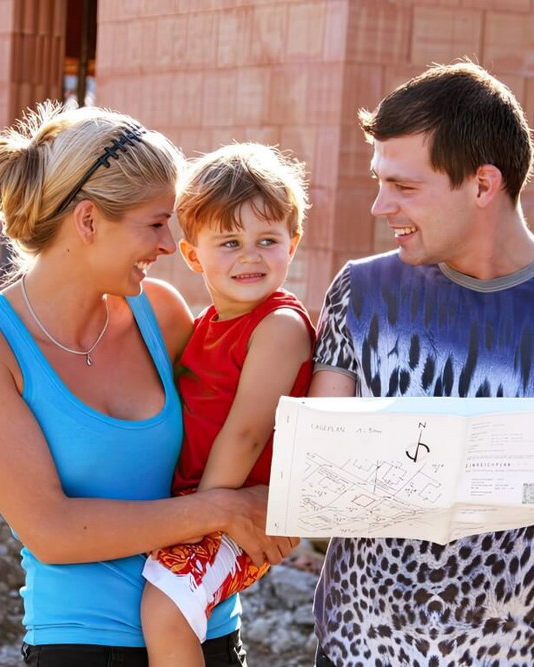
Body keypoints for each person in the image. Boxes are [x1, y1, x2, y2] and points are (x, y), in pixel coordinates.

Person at [309, 62, 534, 667]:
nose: (380, 206)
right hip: (356, 655)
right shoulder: (360, 291)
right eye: (379, 181)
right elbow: (318, 481)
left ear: (484, 185)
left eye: (403, 187)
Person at [0, 103, 298, 667]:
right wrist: (224, 510)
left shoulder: (163, 313)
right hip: (82, 647)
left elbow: (241, 427)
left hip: (210, 636)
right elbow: (51, 529)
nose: (165, 244)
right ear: (88, 221)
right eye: (155, 223)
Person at [138, 143, 316, 666]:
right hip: (200, 505)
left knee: (164, 612)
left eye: (267, 240)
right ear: (193, 256)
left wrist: (200, 514)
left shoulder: (279, 326)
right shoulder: (204, 326)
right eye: (230, 242)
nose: (250, 256)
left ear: (293, 244)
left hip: (236, 513)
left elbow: (247, 433)